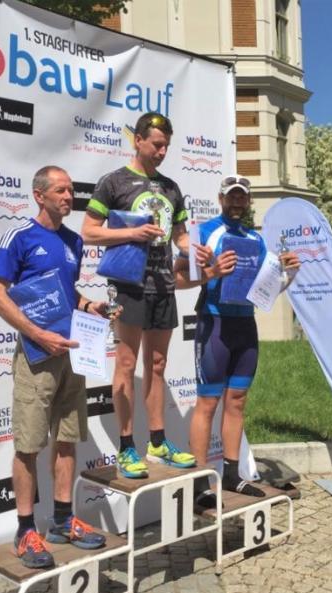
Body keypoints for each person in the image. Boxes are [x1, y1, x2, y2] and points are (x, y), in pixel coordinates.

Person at [0, 165, 117, 569]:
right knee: (28, 445)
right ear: (39, 195)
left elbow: (67, 292)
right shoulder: (19, 237)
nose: (68, 197)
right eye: (60, 190)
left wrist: (89, 305)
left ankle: (62, 521)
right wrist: (38, 334)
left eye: (70, 191)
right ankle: (26, 530)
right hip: (36, 356)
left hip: (71, 352)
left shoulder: (74, 241)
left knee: (66, 439)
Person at [82, 112, 205, 478]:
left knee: (158, 365)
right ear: (138, 140)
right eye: (156, 145)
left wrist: (195, 250)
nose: (162, 152)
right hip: (128, 286)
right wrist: (130, 234)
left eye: (167, 146)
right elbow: (89, 231)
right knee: (125, 364)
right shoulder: (114, 182)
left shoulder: (171, 188)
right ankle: (126, 446)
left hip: (163, 285)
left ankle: (157, 441)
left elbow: (180, 236)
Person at [174, 175, 300, 508]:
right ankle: (200, 481)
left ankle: (231, 473)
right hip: (214, 323)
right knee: (208, 403)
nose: (236, 202)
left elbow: (266, 290)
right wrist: (213, 272)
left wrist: (289, 274)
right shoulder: (204, 233)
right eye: (231, 196)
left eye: (242, 197)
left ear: (248, 201)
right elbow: (177, 278)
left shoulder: (255, 240)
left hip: (245, 324)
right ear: (220, 199)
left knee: (238, 400)